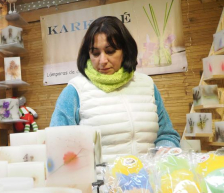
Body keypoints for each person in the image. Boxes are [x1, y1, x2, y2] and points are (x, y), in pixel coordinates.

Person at [50, 16, 180, 163]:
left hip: (146, 182)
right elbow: (57, 145)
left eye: (110, 51)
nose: (102, 61)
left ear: (124, 51)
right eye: (95, 53)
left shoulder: (147, 85)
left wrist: (165, 152)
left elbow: (167, 135)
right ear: (88, 54)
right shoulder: (75, 90)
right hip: (99, 184)